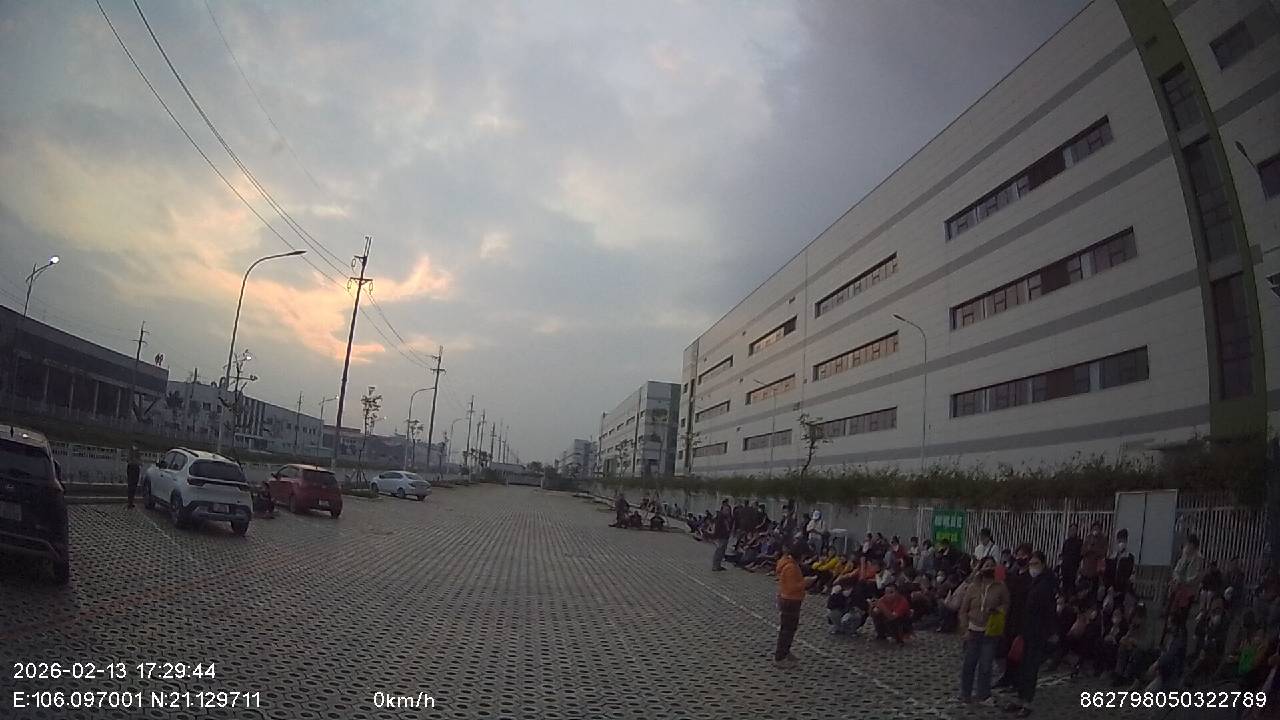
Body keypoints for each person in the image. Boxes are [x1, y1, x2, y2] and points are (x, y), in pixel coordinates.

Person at [1004, 551, 1056, 717]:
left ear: (1043, 564)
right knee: (1021, 666)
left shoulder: (1046, 584)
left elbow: (1049, 611)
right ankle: (1019, 699)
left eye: (1036, 564)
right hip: (1025, 630)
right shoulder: (1033, 582)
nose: (1032, 567)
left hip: (1037, 633)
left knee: (1030, 668)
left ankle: (1027, 702)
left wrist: (1050, 632)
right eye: (1031, 564)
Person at [958, 556, 1009, 706]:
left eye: (992, 565)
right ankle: (965, 694)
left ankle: (983, 695)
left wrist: (998, 610)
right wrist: (965, 629)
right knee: (969, 664)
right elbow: (963, 610)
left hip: (990, 631)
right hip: (973, 630)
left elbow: (1006, 604)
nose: (989, 568)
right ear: (980, 568)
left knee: (986, 665)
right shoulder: (973, 587)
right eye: (986, 565)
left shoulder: (1000, 587)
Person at [774, 542, 816, 664]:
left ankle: (785, 651)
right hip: (790, 600)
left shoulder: (789, 564)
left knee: (789, 629)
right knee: (787, 630)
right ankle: (780, 657)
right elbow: (792, 587)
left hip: (790, 599)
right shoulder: (791, 567)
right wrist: (805, 582)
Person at [1168, 534, 1205, 625]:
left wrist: (1186, 582)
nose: (1187, 545)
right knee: (1172, 606)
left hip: (1189, 589)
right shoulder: (1184, 554)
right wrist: (1177, 579)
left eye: (1189, 543)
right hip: (1179, 585)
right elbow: (1177, 569)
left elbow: (1196, 576)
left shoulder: (1198, 558)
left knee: (1183, 614)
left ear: (1193, 545)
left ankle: (1180, 626)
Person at [711, 500, 734, 572]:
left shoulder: (728, 518)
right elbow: (717, 527)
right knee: (719, 550)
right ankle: (715, 566)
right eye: (726, 510)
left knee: (722, 551)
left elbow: (730, 527)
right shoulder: (721, 517)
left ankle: (718, 565)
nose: (728, 512)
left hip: (725, 536)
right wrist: (716, 536)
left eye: (728, 510)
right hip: (721, 536)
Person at [1060, 524, 1083, 595]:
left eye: (1074, 530)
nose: (1073, 531)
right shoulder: (1066, 542)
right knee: (1064, 585)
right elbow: (1063, 553)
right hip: (1065, 566)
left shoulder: (1079, 542)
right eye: (1071, 530)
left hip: (1073, 567)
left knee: (1072, 585)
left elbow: (1081, 555)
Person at [125, 444, 142, 509]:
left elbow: (139, 461)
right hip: (132, 468)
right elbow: (128, 460)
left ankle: (131, 502)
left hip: (135, 468)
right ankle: (130, 502)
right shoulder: (131, 451)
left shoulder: (137, 452)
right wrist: (136, 462)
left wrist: (138, 462)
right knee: (131, 485)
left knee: (134, 486)